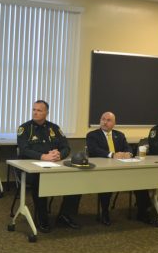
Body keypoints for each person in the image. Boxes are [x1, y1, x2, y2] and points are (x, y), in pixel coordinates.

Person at [17, 100, 80, 233]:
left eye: (39, 110)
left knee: (76, 180)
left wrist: (59, 155)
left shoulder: (54, 128)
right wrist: (42, 157)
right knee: (40, 181)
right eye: (34, 109)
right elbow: (24, 149)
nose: (35, 112)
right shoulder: (24, 128)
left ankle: (65, 215)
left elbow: (66, 147)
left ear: (46, 112)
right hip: (30, 168)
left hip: (54, 165)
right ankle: (42, 217)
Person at [86, 111, 133, 226]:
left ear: (114, 123)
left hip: (120, 169)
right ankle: (105, 212)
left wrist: (129, 154)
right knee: (107, 182)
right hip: (102, 171)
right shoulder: (92, 135)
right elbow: (93, 150)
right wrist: (112, 155)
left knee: (139, 179)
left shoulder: (119, 135)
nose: (105, 122)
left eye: (108, 120)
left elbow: (129, 148)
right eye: (103, 119)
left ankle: (143, 211)